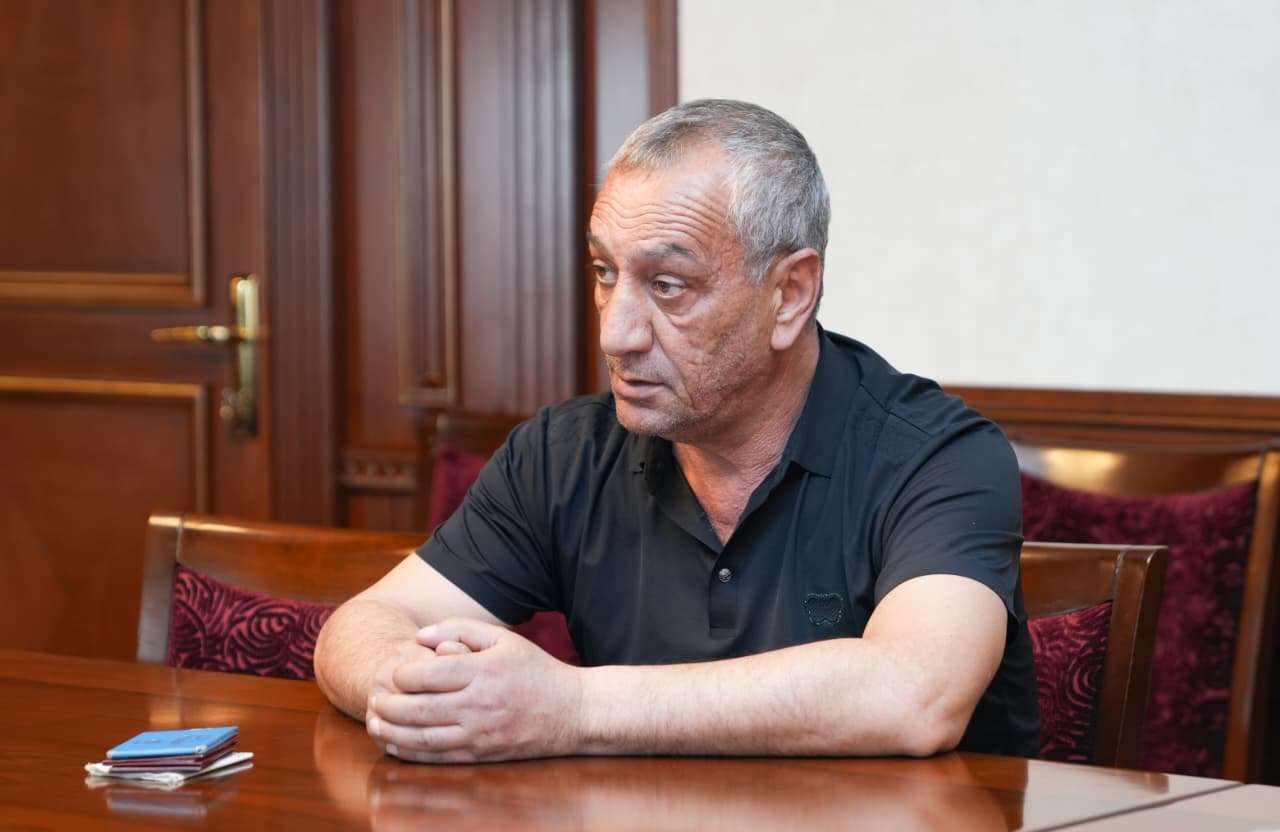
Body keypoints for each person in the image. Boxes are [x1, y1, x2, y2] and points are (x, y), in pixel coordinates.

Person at [314, 99, 1039, 763]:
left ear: (790, 294)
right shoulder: (565, 454)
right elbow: (367, 621)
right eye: (605, 272)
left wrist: (571, 707)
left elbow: (914, 693)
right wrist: (418, 689)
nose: (617, 333)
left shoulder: (938, 454)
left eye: (668, 285)